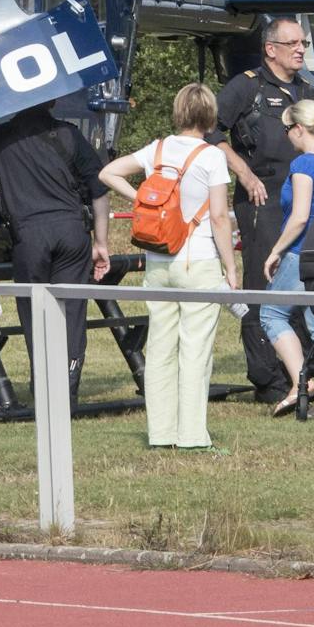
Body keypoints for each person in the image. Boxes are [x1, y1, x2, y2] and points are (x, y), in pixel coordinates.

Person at [99, 83, 238, 450]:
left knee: (161, 349)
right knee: (195, 351)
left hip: (158, 260)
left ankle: (160, 433)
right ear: (210, 116)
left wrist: (144, 201)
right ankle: (192, 435)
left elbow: (109, 173)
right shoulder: (211, 156)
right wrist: (231, 267)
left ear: (178, 112)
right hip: (198, 260)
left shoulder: (157, 149)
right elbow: (219, 217)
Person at [0, 101, 112, 402]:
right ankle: (68, 387)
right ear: (52, 102)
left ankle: (45, 390)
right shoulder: (68, 134)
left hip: (29, 235)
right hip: (72, 231)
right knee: (71, 311)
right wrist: (101, 242)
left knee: (36, 313)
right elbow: (99, 189)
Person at [213, 15, 313, 402]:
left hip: (300, 198)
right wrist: (243, 172)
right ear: (271, 49)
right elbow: (209, 130)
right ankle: (267, 379)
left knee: (300, 283)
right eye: (293, 43)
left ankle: (302, 372)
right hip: (262, 198)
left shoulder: (304, 89)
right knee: (263, 284)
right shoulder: (246, 86)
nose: (301, 49)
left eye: (303, 43)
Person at [259, 100, 314, 416]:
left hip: (301, 253)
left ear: (298, 128)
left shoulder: (303, 165)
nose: (286, 136)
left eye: (287, 129)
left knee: (271, 314)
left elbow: (299, 217)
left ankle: (303, 383)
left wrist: (275, 251)